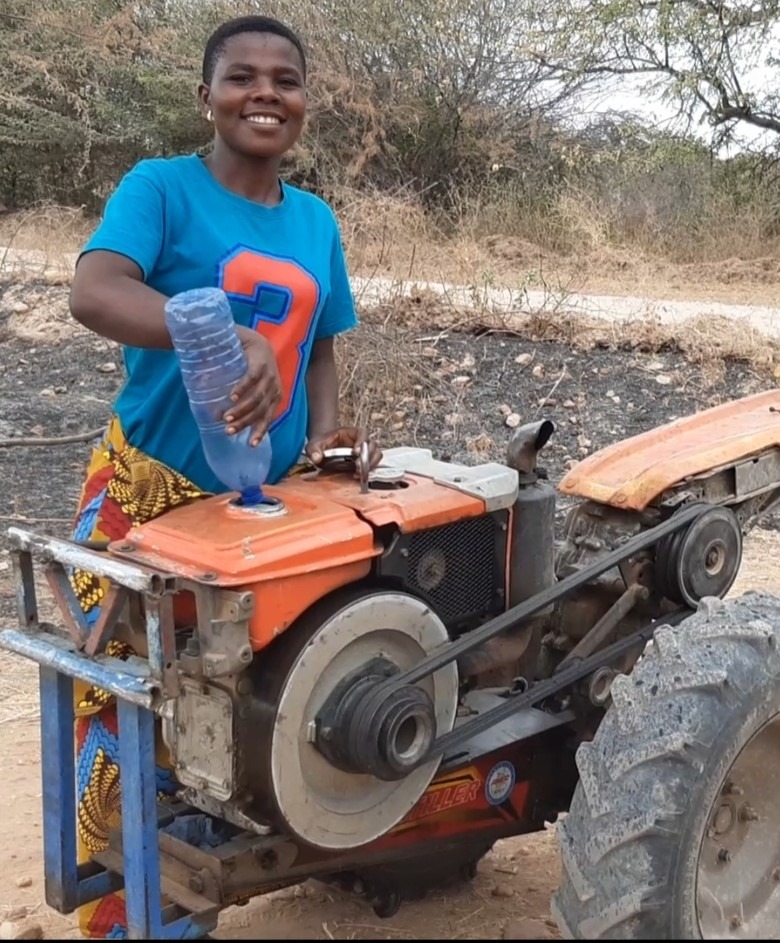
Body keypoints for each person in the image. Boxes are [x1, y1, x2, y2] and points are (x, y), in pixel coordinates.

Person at [64, 14, 380, 938]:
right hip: (143, 501)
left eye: (285, 79)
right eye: (241, 77)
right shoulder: (161, 190)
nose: (265, 93)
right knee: (123, 718)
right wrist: (211, 327)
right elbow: (95, 289)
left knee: (228, 719)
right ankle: (128, 920)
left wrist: (327, 439)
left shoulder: (316, 222)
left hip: (257, 519)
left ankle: (196, 900)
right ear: (207, 96)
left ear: (305, 105)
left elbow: (319, 347)